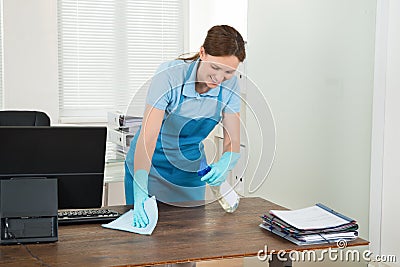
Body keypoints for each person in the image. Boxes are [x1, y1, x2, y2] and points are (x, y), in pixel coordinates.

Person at [124, 25, 246, 231]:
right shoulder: (170, 75)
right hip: (150, 165)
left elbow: (232, 140)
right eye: (215, 68)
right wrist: (140, 187)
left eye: (228, 72)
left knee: (190, 241)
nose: (219, 78)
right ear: (202, 53)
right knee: (145, 241)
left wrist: (226, 161)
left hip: (189, 169)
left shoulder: (231, 86)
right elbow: (149, 136)